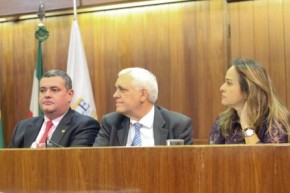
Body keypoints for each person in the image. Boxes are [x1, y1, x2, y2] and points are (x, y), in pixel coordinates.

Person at [94, 67, 193, 146]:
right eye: (116, 89)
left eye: (122, 90)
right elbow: (97, 162)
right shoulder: (111, 123)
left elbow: (184, 167)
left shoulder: (177, 125)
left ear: (143, 95)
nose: (115, 95)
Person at [9, 70, 100, 148]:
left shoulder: (84, 125)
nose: (47, 95)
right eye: (42, 90)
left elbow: (76, 163)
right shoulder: (22, 127)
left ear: (70, 95)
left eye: (54, 90)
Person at [209, 58, 290, 144]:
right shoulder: (222, 120)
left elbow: (266, 157)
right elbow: (212, 156)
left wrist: (247, 127)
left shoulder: (276, 121)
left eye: (229, 83)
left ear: (248, 90)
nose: (222, 88)